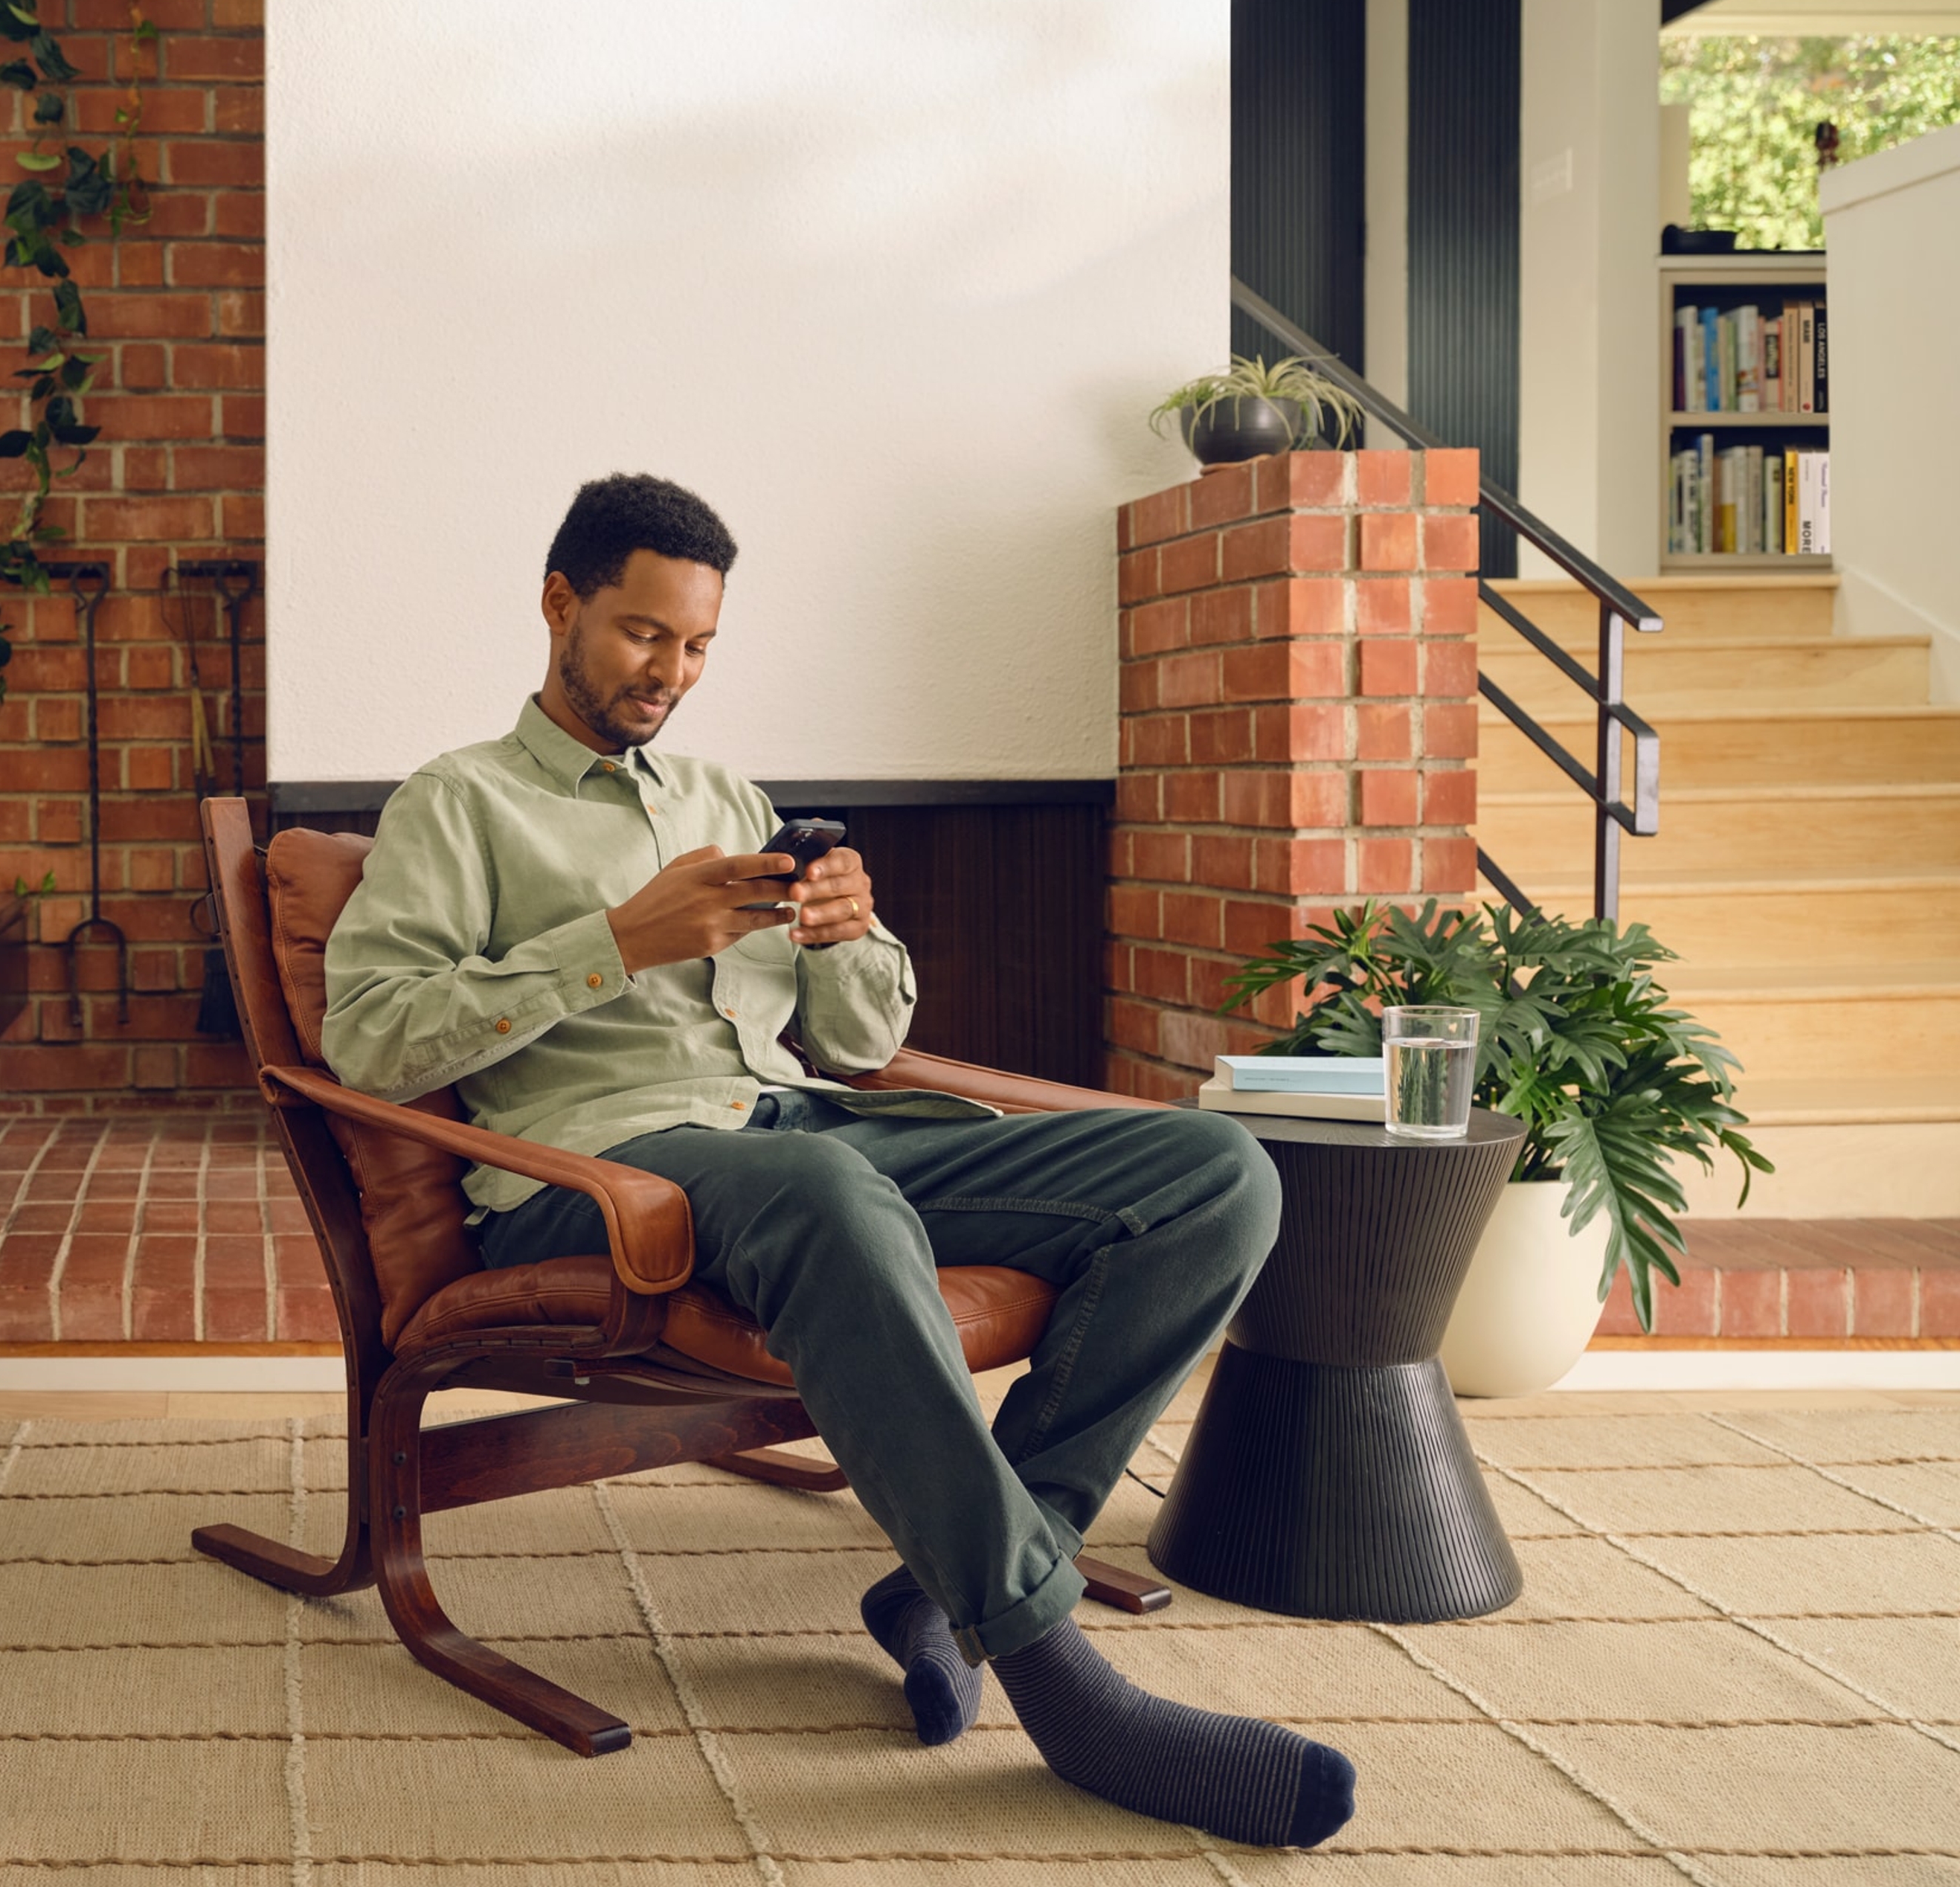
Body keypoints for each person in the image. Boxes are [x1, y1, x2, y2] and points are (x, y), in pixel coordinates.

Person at [319, 474, 1355, 1849]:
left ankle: (947, 1584)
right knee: (826, 1186)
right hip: (597, 1185)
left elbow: (862, 1041)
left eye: (696, 647)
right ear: (561, 604)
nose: (670, 674)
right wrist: (617, 942)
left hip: (804, 1135)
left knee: (1216, 1171)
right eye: (642, 635)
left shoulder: (722, 792)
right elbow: (370, 1041)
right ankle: (1057, 1675)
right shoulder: (458, 804)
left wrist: (849, 936)